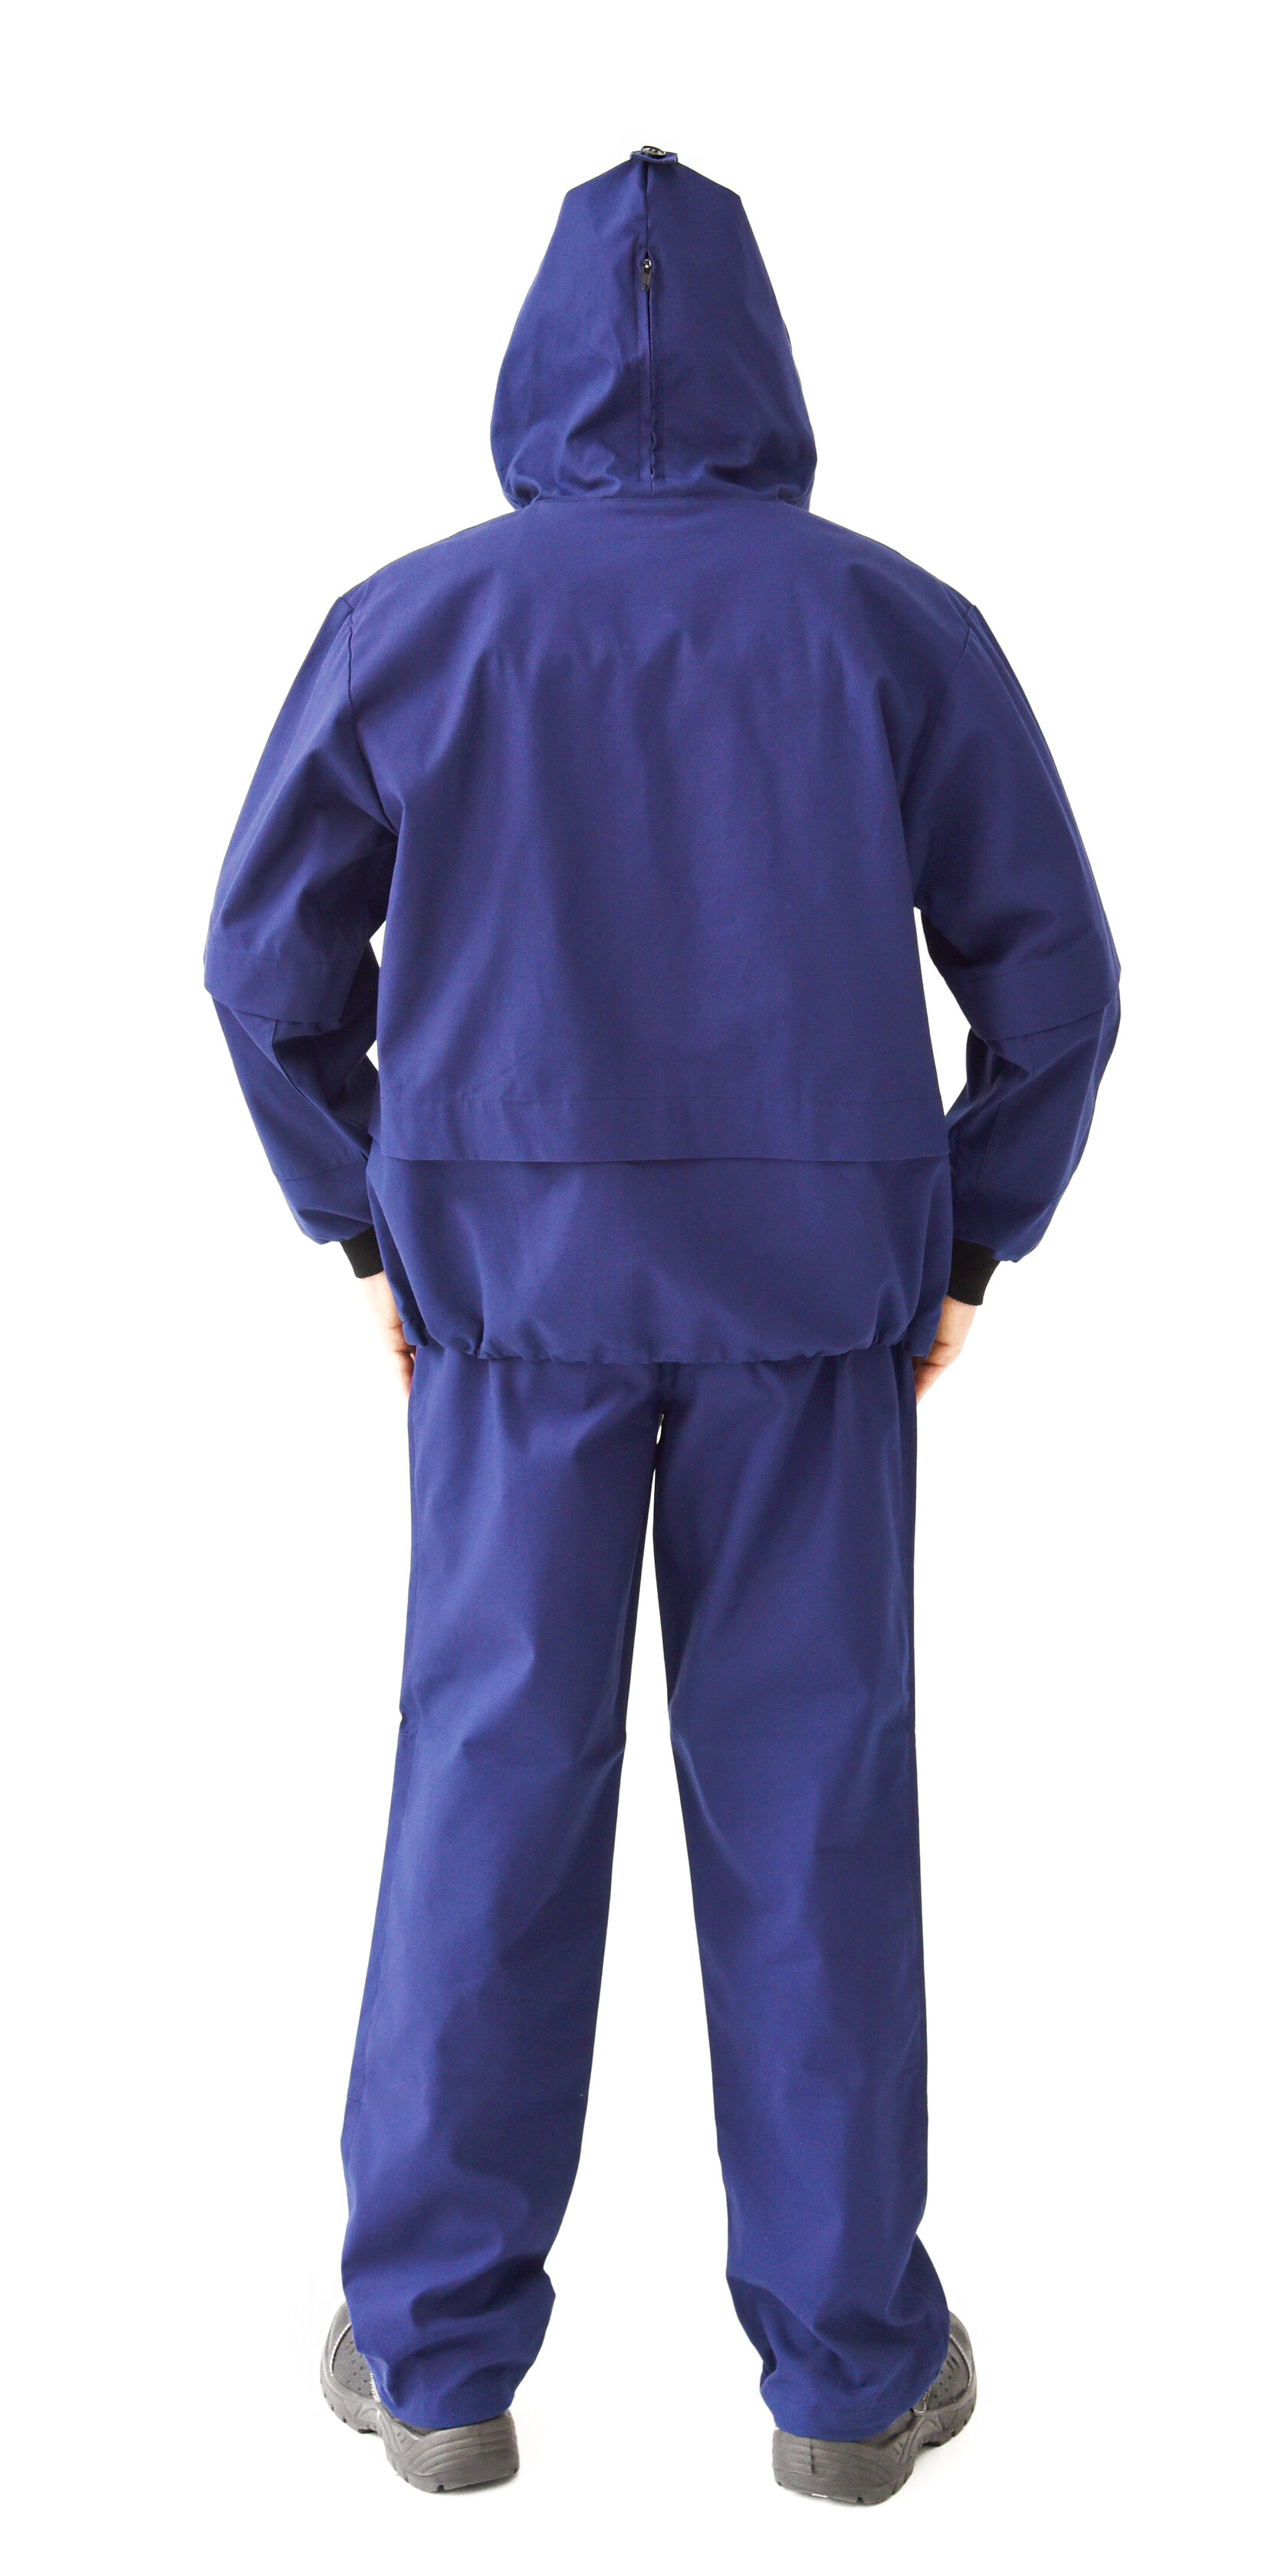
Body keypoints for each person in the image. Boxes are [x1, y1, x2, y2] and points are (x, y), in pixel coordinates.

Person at [205, 147, 1118, 2505]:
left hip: (509, 1308)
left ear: (530, 364)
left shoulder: (416, 621)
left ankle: (435, 2359)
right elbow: (1059, 984)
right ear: (766, 362)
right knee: (811, 1802)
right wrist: (969, 1238)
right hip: (816, 1310)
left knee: (489, 1782)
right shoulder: (889, 623)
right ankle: (848, 2376)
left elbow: (262, 970)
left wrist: (368, 1227)